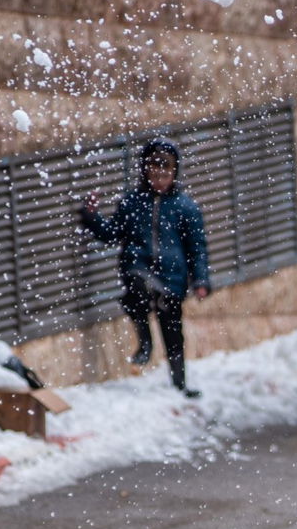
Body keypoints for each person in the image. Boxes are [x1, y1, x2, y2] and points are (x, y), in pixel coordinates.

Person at [80, 136, 209, 398]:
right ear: (145, 171)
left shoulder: (185, 207)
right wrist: (91, 217)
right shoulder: (132, 202)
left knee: (172, 330)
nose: (159, 179)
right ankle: (145, 343)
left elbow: (197, 248)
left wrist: (201, 280)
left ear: (174, 174)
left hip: (172, 278)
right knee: (136, 290)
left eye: (165, 173)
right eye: (154, 172)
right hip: (138, 266)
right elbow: (111, 232)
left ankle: (179, 381)